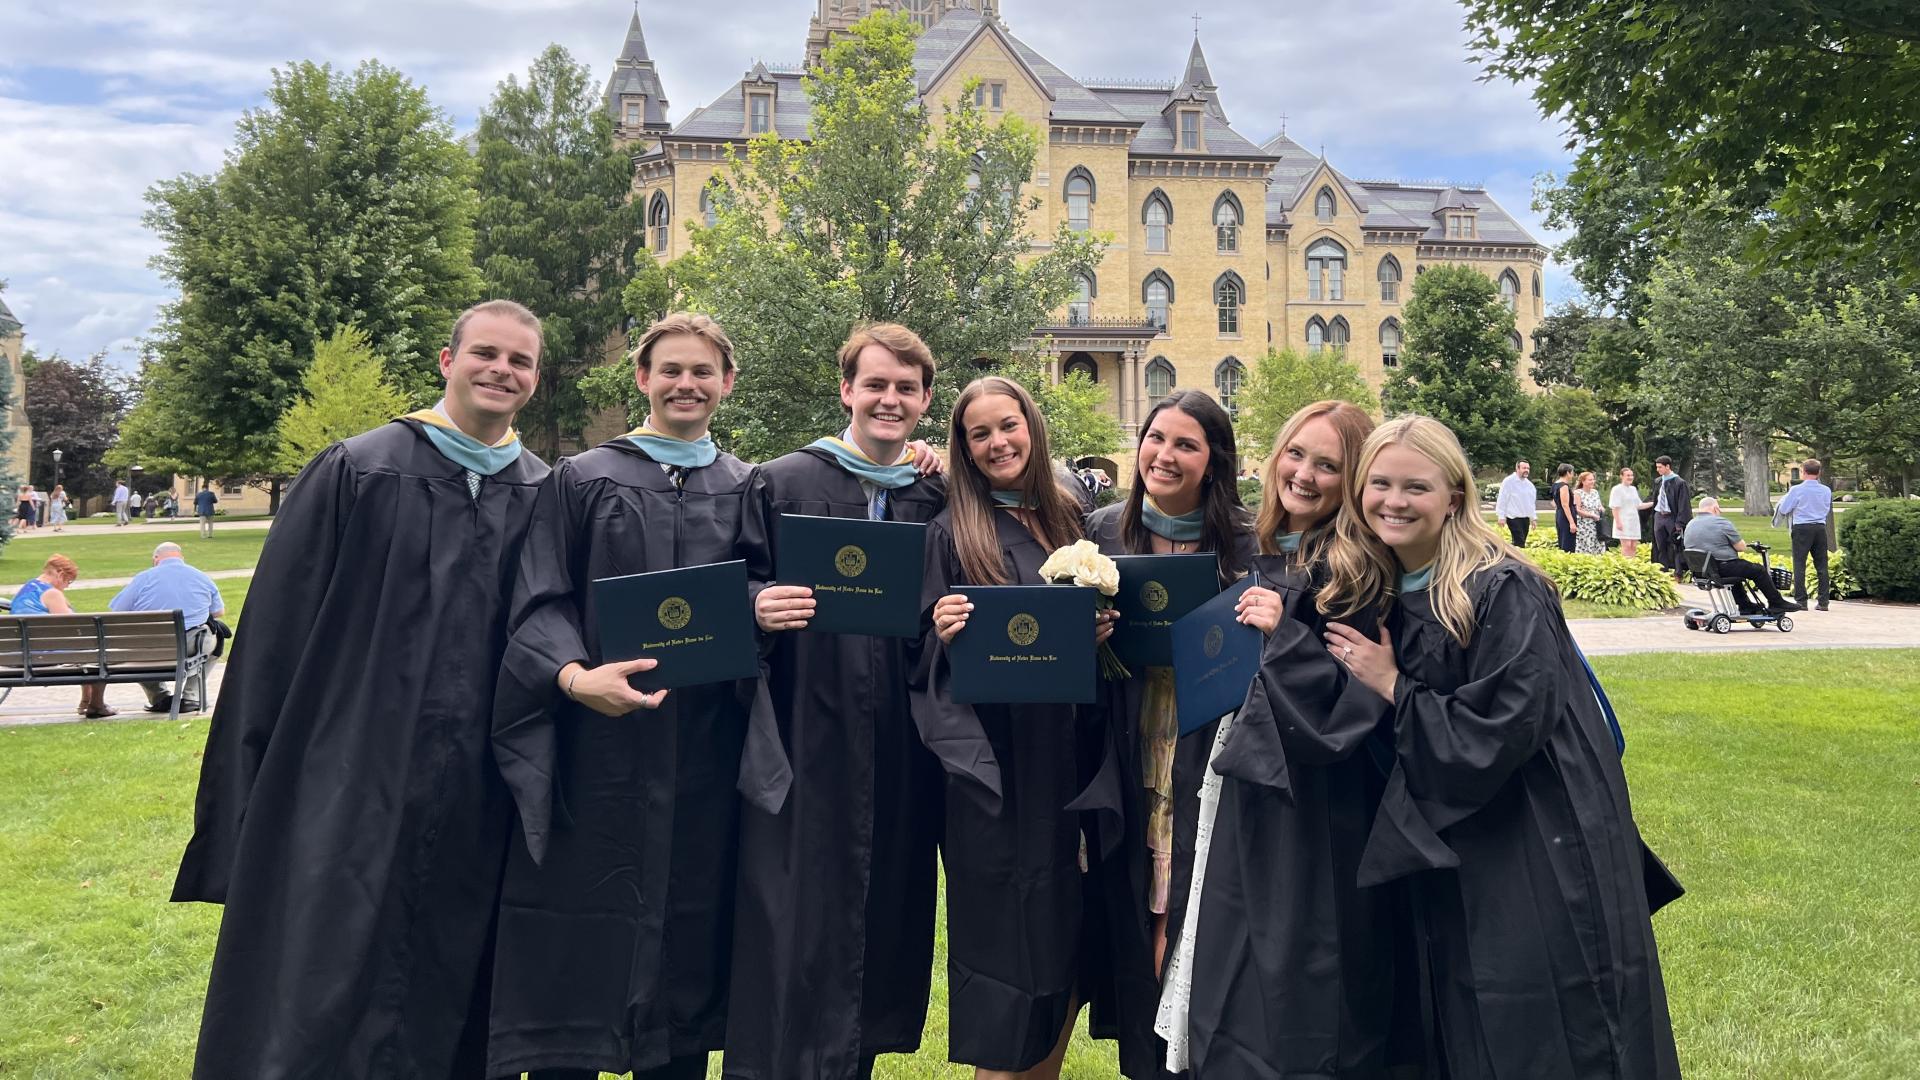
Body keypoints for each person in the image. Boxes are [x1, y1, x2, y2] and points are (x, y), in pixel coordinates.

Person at [171, 299, 549, 1080]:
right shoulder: (360, 469)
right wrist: (247, 799)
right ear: (448, 362)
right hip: (347, 777)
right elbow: (274, 639)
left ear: (535, 379)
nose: (500, 370)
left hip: (484, 787)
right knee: (321, 974)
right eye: (486, 353)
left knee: (457, 973)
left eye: (519, 361)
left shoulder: (546, 491)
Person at [1320, 415, 1682, 1079]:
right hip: (1455, 844)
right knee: (1462, 1021)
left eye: (1415, 487)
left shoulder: (1501, 587)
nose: (1393, 501)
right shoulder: (1386, 586)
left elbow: (1506, 728)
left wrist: (1395, 685)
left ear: (1453, 496)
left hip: (1534, 836)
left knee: (1546, 1028)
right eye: (1379, 483)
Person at [483, 314, 751, 1080]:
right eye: (670, 370)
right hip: (596, 752)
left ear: (726, 383)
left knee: (688, 947)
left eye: (702, 372)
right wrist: (573, 677)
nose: (686, 384)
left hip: (702, 757)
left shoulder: (743, 486)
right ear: (643, 379)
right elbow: (539, 599)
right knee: (579, 942)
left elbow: (766, 603)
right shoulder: (584, 476)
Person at [726, 323, 948, 1080]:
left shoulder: (936, 494)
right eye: (876, 384)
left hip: (900, 740)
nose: (890, 399)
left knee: (880, 912)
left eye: (906, 389)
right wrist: (757, 604)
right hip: (803, 727)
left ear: (924, 401)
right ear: (846, 389)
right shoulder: (782, 482)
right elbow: (735, 578)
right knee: (791, 916)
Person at [1158, 401, 1399, 1076]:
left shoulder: (1353, 569)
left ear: (1352, 478)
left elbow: (1354, 704)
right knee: (1227, 953)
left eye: (1328, 464)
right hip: (1236, 788)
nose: (1304, 473)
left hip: (1308, 807)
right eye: (1296, 453)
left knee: (1294, 970)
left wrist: (1283, 636)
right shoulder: (1262, 551)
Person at [916, 375, 1120, 1080]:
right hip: (1000, 780)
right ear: (964, 450)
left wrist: (1096, 637)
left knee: (1066, 956)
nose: (998, 442)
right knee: (1007, 971)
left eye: (1009, 425)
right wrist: (941, 634)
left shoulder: (1073, 518)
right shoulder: (951, 532)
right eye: (980, 433)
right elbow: (924, 670)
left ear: (1032, 427)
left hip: (1077, 769)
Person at [1082, 389, 1254, 1077]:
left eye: (1186, 444)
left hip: (1209, 746)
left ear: (1214, 461)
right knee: (1142, 903)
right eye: (1156, 439)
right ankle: (1148, 1059)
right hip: (1131, 739)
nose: (1164, 455)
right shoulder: (1101, 533)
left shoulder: (1247, 541)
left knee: (1194, 904)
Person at [108, 542, 225, 713]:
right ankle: (191, 696)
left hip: (149, 646)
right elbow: (218, 612)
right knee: (215, 639)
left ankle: (159, 697)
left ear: (156, 559)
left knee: (132, 646)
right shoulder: (201, 576)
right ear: (181, 558)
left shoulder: (143, 578)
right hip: (190, 645)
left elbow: (118, 611)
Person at [11, 554, 116, 718]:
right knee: (98, 651)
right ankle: (96, 704)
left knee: (86, 651)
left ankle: (86, 701)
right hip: (42, 655)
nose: (66, 586)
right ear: (60, 574)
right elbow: (71, 628)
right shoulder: (52, 594)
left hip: (19, 654)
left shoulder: (28, 588)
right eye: (68, 581)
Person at [1684, 497, 1796, 615]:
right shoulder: (1721, 522)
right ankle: (1777, 603)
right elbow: (1741, 547)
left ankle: (1745, 605)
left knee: (1736, 571)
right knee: (1758, 570)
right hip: (1720, 567)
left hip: (1701, 571)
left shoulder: (1691, 524)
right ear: (1715, 508)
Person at [1773, 458, 1834, 611]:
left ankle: (1801, 601)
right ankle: (1823, 602)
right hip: (1820, 527)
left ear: (1803, 472)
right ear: (1819, 472)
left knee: (1799, 564)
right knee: (1821, 565)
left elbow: (1785, 509)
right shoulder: (1826, 490)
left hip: (1801, 527)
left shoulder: (1796, 490)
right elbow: (1826, 509)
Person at [1650, 455, 1692, 579]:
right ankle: (1662, 570)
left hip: (1672, 517)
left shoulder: (1679, 482)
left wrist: (1680, 522)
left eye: (1660, 467)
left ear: (1668, 466)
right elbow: (1655, 498)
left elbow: (1683, 504)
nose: (1658, 470)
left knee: (1676, 545)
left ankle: (1678, 572)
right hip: (1659, 516)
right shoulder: (1658, 482)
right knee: (1660, 545)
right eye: (1657, 467)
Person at [1494, 459, 1536, 547]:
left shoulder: (1529, 485)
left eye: (1528, 468)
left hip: (1525, 518)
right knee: (1519, 541)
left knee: (1521, 541)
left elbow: (1531, 503)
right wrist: (1501, 516)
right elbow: (1502, 499)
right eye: (1524, 468)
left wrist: (1533, 518)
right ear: (1517, 468)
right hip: (1513, 517)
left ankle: (1514, 556)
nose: (1526, 470)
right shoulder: (1508, 482)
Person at [1609, 467, 1648, 559]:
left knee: (1633, 546)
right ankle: (1626, 566)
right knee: (1626, 545)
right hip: (1623, 520)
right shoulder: (1617, 489)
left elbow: (1639, 505)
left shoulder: (1633, 489)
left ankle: (1633, 565)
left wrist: (1654, 503)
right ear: (1621, 476)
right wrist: (1618, 522)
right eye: (1628, 475)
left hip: (1633, 521)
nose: (1630, 477)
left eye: (1631, 475)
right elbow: (1614, 507)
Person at [1574, 470, 1605, 554]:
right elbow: (1577, 509)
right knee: (1586, 545)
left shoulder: (1595, 492)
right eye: (1590, 480)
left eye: (1593, 479)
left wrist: (1601, 508)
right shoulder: (1578, 493)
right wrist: (1591, 515)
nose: (1592, 481)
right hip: (1585, 525)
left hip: (1597, 524)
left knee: (1598, 544)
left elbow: (1599, 505)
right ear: (1583, 481)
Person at [1551, 463, 1577, 552]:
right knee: (1568, 541)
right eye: (1572, 472)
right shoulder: (1564, 486)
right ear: (1568, 473)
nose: (1573, 475)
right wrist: (1572, 522)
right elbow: (1565, 505)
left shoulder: (1555, 485)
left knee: (1562, 538)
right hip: (1566, 516)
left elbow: (1554, 502)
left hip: (1559, 514)